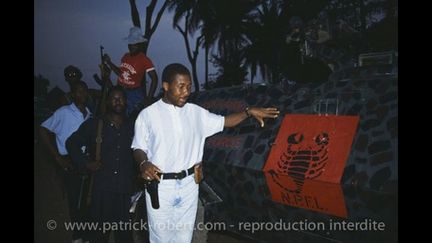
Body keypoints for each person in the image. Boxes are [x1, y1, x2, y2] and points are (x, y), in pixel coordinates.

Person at [131, 63, 280, 243]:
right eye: (181, 87)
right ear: (165, 86)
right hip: (161, 187)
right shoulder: (148, 115)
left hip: (189, 186)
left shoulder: (195, 113)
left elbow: (225, 121)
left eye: (189, 86)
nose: (186, 92)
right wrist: (143, 163)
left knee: (184, 239)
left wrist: (248, 112)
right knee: (161, 239)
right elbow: (138, 147)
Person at [66, 84, 136, 243]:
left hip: (125, 191)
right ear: (107, 103)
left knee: (124, 236)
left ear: (126, 102)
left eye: (121, 99)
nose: (118, 102)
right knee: (99, 235)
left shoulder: (133, 126)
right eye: (114, 99)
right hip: (101, 190)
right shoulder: (94, 124)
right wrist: (85, 163)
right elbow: (72, 143)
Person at [39, 80, 91, 243]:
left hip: (85, 162)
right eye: (78, 91)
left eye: (84, 91)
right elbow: (42, 129)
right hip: (69, 161)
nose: (82, 94)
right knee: (73, 201)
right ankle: (76, 237)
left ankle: (84, 235)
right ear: (72, 94)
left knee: (85, 201)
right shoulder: (64, 112)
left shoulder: (90, 114)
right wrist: (57, 157)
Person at [103, 26, 158, 116]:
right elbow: (120, 73)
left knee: (133, 118)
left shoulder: (144, 59)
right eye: (130, 43)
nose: (132, 46)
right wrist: (109, 62)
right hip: (120, 91)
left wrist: (149, 98)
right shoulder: (126, 56)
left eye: (135, 44)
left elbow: (154, 78)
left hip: (134, 94)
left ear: (139, 45)